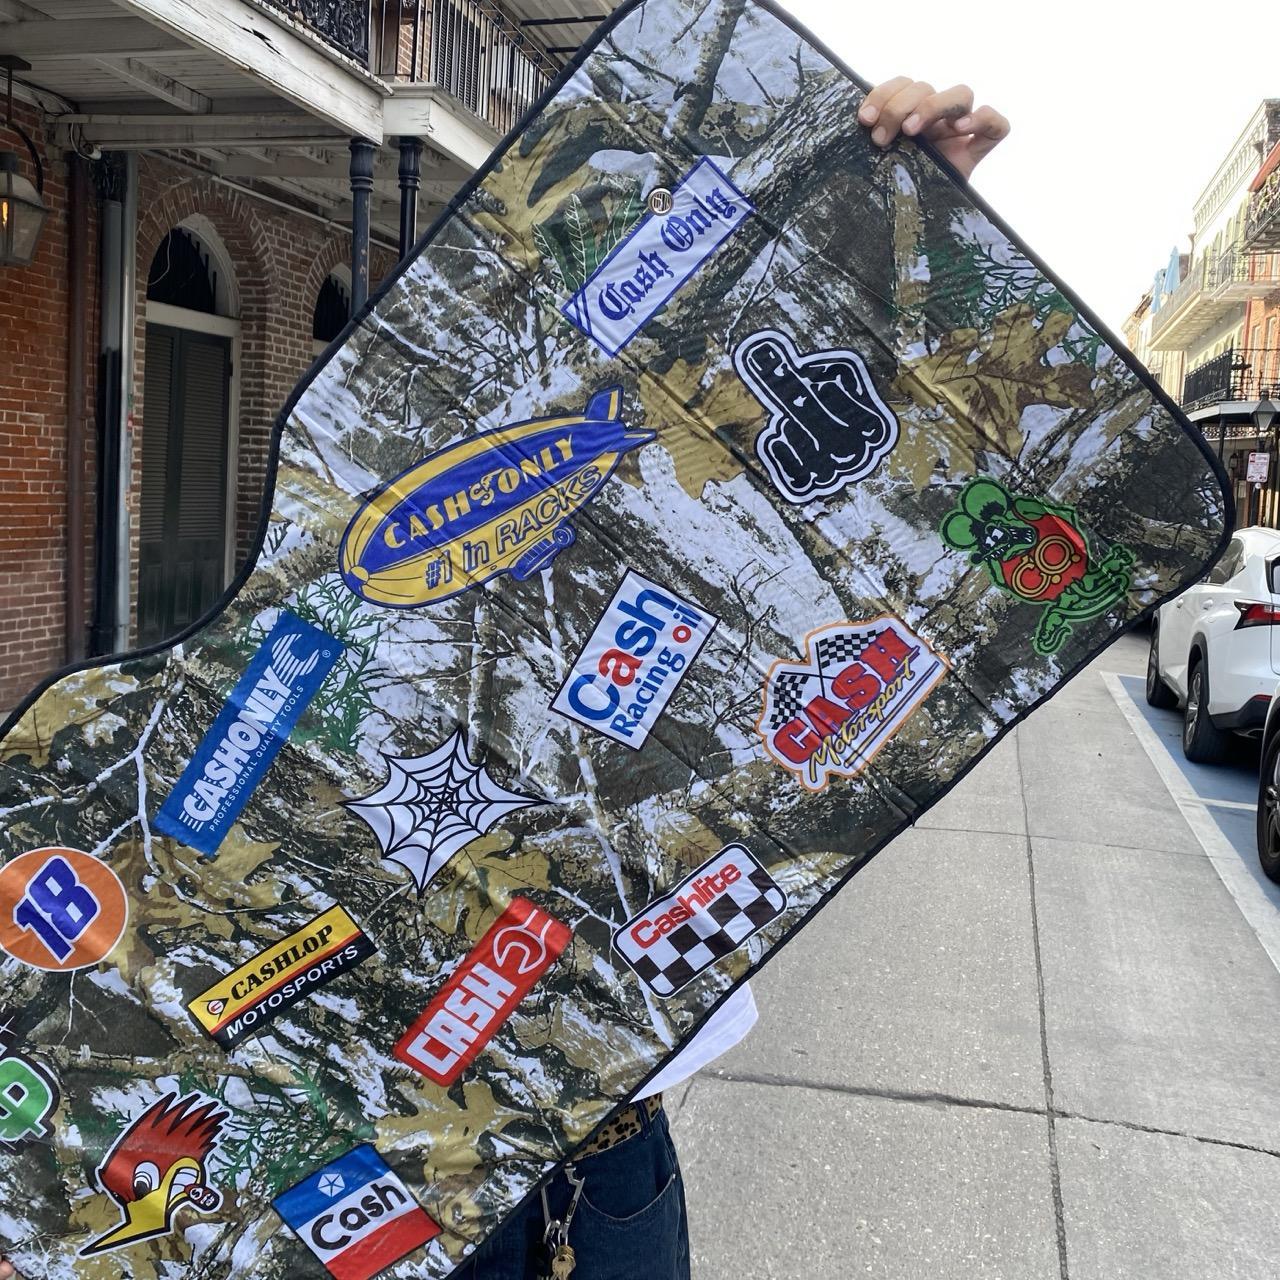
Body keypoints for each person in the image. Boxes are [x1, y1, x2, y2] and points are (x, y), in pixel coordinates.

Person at [0, 76, 1007, 1280]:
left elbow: (829, 499)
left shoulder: (688, 574)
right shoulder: (319, 609)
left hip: (600, 1157)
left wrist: (894, 222)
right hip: (336, 1202)